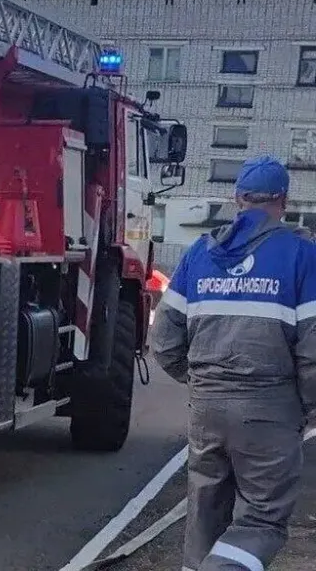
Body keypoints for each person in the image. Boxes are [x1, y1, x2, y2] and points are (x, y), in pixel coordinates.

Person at [151, 155, 316, 571]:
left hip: (206, 407)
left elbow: (165, 341)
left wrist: (203, 382)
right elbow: (313, 347)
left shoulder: (201, 253)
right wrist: (307, 405)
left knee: (205, 506)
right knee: (262, 518)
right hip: (270, 408)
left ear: (237, 198)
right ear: (281, 201)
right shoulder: (302, 255)